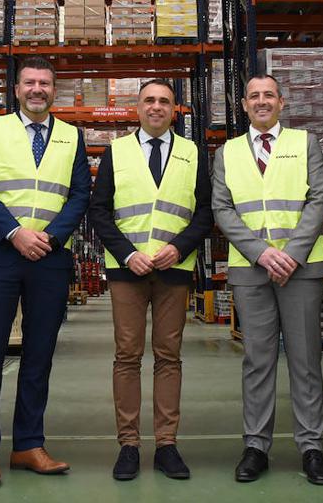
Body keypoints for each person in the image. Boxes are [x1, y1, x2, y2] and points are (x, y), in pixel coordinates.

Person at [0, 57, 91, 487]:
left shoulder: (73, 137)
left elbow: (79, 195)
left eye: (45, 83)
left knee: (39, 355)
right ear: (16, 90)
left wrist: (51, 238)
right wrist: (15, 232)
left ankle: (28, 445)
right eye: (30, 83)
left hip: (50, 258)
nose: (37, 89)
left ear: (54, 91)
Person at [212, 74, 323, 486]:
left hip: (300, 269)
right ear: (244, 105)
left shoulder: (304, 143)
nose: (262, 102)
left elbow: (320, 198)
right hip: (251, 270)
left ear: (282, 102)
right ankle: (256, 446)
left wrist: (291, 254)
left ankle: (312, 447)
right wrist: (261, 252)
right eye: (254, 97)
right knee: (257, 362)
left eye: (269, 95)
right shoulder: (227, 152)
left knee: (305, 360)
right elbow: (222, 208)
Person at [89, 79, 213, 482]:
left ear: (174, 109)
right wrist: (127, 253)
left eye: (164, 101)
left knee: (168, 355)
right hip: (128, 269)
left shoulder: (193, 153)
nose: (156, 107)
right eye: (149, 101)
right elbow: (99, 211)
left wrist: (179, 248)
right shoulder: (117, 151)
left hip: (173, 268)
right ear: (137, 108)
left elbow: (205, 211)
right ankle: (128, 445)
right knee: (127, 354)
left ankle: (166, 444)